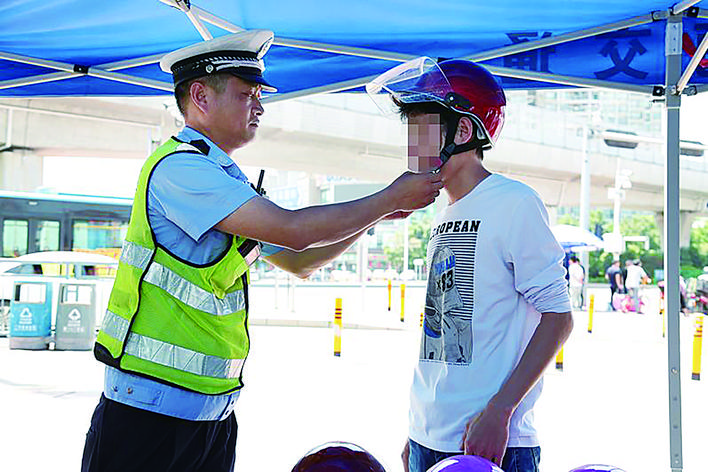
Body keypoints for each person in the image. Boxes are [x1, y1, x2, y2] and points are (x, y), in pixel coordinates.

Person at [80, 30, 442, 472]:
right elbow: (293, 232)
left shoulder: (224, 180)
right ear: (200, 96)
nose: (259, 105)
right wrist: (388, 197)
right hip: (149, 412)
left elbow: (300, 262)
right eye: (246, 94)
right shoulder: (181, 170)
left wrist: (376, 217)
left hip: (208, 412)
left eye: (259, 95)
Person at [367, 57, 573, 472]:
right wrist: (418, 429)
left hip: (490, 440)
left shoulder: (514, 202)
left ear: (462, 131)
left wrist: (501, 411)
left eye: (422, 129)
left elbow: (558, 317)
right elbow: (446, 328)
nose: (412, 145)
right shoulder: (443, 211)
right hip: (430, 432)